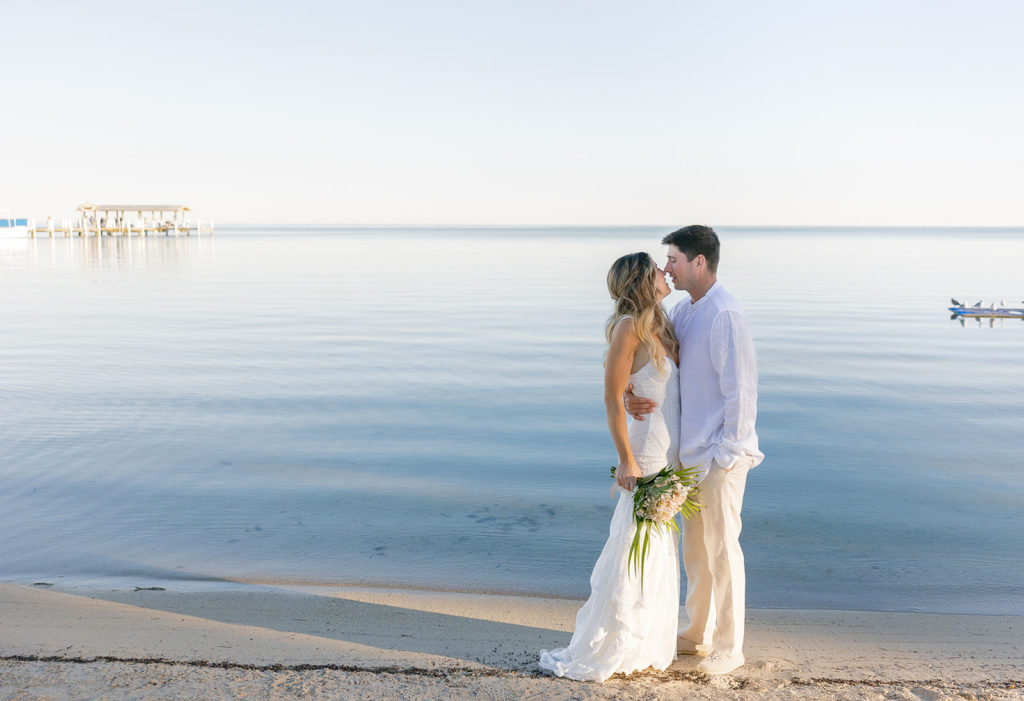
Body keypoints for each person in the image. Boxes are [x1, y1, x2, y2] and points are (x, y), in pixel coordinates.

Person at [626, 225, 763, 675]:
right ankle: (696, 633)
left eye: (674, 260)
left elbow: (741, 394)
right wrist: (629, 393)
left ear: (699, 262)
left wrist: (725, 458)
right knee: (696, 555)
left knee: (723, 551)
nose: (667, 267)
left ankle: (729, 646)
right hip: (687, 459)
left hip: (719, 458)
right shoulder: (686, 311)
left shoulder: (726, 314)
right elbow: (664, 369)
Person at [539, 252, 682, 682]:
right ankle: (621, 639)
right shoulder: (627, 328)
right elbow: (610, 394)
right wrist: (626, 458)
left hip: (669, 450)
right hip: (645, 451)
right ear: (644, 280)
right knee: (635, 545)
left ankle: (649, 638)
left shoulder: (662, 323)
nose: (665, 272)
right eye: (659, 269)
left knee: (657, 549)